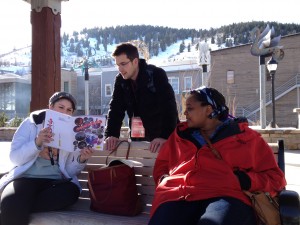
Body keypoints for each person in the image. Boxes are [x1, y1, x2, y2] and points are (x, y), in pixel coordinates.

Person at [148, 86, 286, 225]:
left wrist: (244, 180)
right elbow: (162, 165)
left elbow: (276, 179)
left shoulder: (246, 138)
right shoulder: (180, 136)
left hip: (225, 195)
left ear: (208, 110)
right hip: (178, 194)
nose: (185, 113)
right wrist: (164, 180)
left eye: (190, 108)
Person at [0, 91, 94, 225]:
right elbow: (15, 158)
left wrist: (81, 159)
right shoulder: (31, 123)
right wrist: (36, 144)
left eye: (69, 110)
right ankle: (13, 206)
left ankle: (15, 207)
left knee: (70, 193)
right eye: (60, 107)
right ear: (50, 107)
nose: (64, 113)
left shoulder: (74, 132)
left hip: (55, 182)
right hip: (26, 178)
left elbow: (69, 171)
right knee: (11, 199)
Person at [104, 42, 179, 152]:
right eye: (118, 65)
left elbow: (169, 107)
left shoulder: (155, 74)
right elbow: (116, 109)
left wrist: (164, 136)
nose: (120, 69)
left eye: (123, 64)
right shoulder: (121, 80)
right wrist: (111, 135)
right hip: (138, 137)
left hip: (162, 138)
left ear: (135, 61)